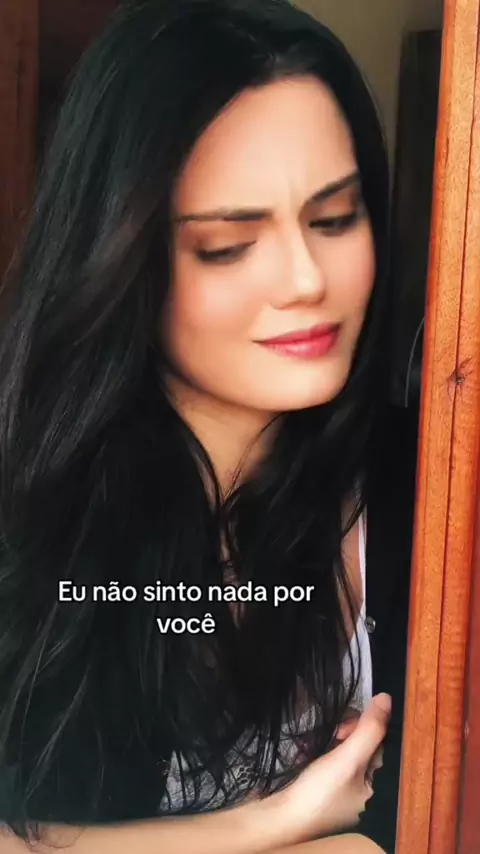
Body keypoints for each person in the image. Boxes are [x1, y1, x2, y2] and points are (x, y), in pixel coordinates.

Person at [0, 0, 396, 850]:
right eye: (226, 244)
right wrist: (278, 825)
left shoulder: (428, 487)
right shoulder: (33, 509)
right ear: (121, 261)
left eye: (334, 218)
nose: (306, 278)